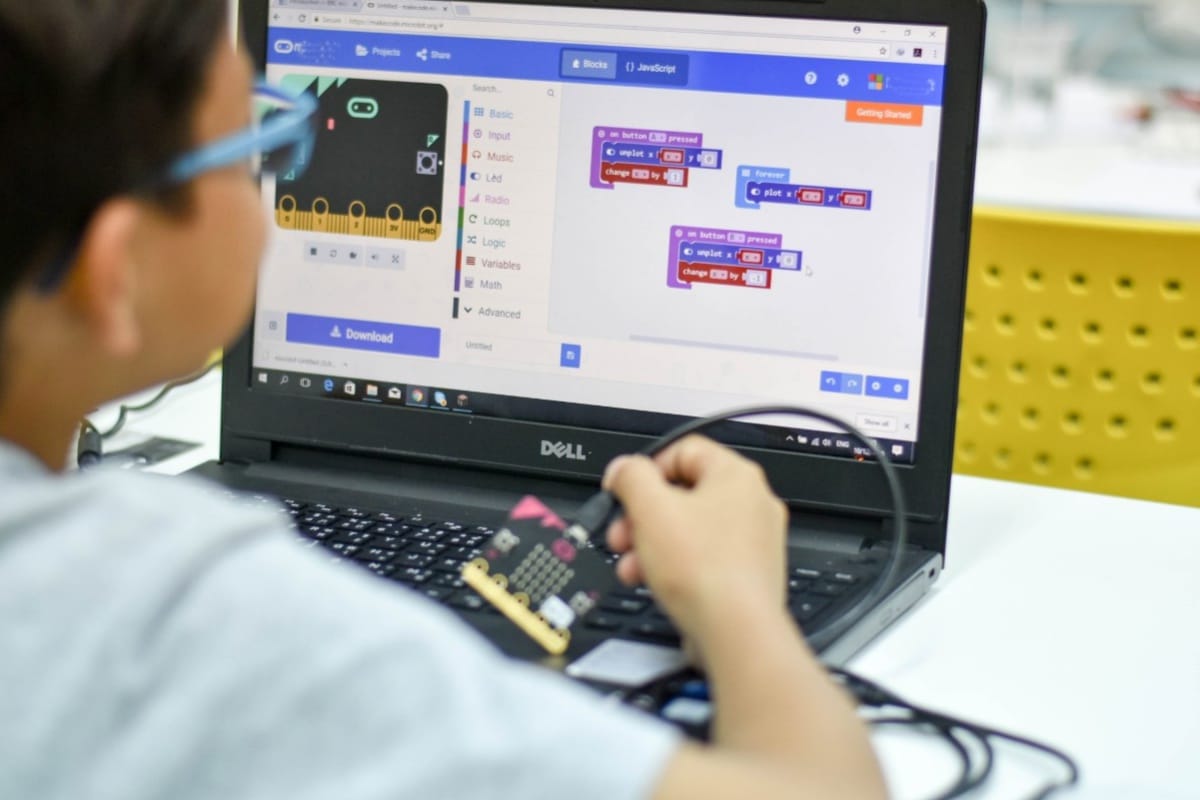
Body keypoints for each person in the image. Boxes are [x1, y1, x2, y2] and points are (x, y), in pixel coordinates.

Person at [0, 2, 886, 797]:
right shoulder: (188, 616)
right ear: (116, 273)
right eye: (253, 149)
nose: (273, 185)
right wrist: (738, 601)